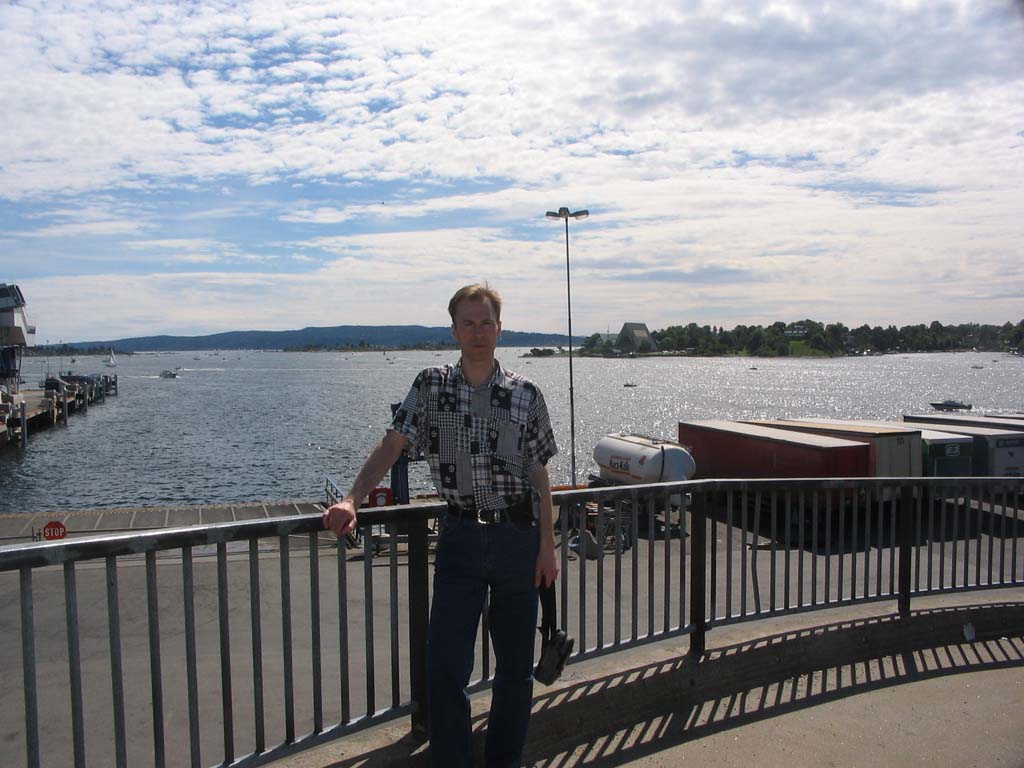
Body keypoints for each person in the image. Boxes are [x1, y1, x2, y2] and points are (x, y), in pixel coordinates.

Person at [323, 283, 559, 767]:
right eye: (468, 323)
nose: (478, 332)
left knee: (515, 670)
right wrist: (352, 499)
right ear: (454, 330)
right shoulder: (432, 386)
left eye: (486, 322)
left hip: (517, 537)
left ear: (500, 328)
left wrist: (547, 545)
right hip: (460, 538)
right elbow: (392, 444)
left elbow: (539, 474)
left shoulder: (526, 394)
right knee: (446, 666)